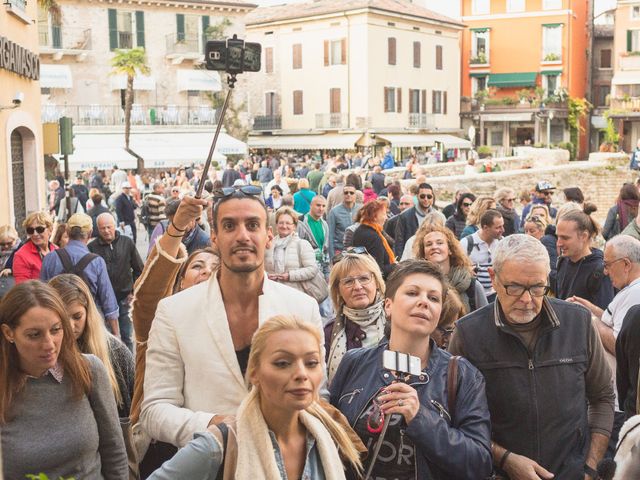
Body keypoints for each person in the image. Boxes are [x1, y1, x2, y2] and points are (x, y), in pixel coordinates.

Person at [140, 186, 324, 449]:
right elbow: (155, 411)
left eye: (252, 225)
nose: (242, 236)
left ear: (268, 235)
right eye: (229, 226)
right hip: (209, 465)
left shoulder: (302, 308)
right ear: (214, 238)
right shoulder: (174, 311)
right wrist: (216, 425)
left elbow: (317, 396)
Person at [448, 234, 615, 480]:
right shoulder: (468, 333)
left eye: (538, 287)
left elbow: (602, 397)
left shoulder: (578, 323)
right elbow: (455, 415)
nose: (527, 300)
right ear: (493, 279)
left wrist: (589, 468)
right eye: (514, 287)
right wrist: (506, 460)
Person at [331, 260, 493, 479]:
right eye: (412, 293)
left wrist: (421, 418)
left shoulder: (463, 375)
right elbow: (330, 437)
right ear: (388, 305)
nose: (423, 302)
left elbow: (479, 463)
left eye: (433, 298)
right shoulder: (354, 362)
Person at [147, 315, 362, 479]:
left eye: (311, 363)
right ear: (254, 373)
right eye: (282, 363)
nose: (301, 374)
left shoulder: (327, 437)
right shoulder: (218, 446)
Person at [0, 281, 128, 478]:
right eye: (34, 335)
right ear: (9, 333)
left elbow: (115, 452)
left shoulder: (89, 370)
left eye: (56, 330)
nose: (49, 344)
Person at [130, 198, 218, 473]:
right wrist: (176, 228)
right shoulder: (161, 318)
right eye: (197, 266)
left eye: (215, 268)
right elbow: (148, 294)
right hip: (162, 445)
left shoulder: (237, 326)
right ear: (180, 281)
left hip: (220, 445)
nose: (206, 271)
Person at [49, 274, 134, 419]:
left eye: (77, 317)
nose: (70, 326)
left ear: (88, 313)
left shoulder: (115, 350)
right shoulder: (43, 355)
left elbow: (136, 400)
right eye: (62, 318)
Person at [40, 213, 120, 338]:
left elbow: (43, 296)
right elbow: (108, 301)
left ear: (67, 231)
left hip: (59, 324)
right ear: (90, 233)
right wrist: (116, 334)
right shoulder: (96, 262)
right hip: (90, 326)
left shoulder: (50, 258)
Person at [324, 250, 386, 381]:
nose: (357, 287)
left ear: (377, 283)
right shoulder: (328, 333)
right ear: (338, 290)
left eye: (364, 279)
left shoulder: (398, 322)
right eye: (348, 281)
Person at [89, 212, 144, 352]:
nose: (106, 231)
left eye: (109, 227)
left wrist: (133, 291)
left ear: (115, 226)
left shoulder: (127, 242)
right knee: (107, 339)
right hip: (103, 302)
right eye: (102, 228)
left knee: (127, 337)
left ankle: (129, 370)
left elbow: (139, 270)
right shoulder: (92, 248)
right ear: (97, 229)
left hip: (125, 298)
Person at [413, 224, 487, 313]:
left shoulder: (471, 286)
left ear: (450, 249)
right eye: (429, 244)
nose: (434, 247)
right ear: (424, 253)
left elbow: (485, 319)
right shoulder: (418, 285)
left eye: (439, 243)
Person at [555, 207, 615, 309]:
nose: (559, 243)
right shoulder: (562, 261)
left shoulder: (600, 270)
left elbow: (604, 316)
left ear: (583, 236)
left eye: (565, 238)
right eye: (557, 237)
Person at [265, 207, 320, 295]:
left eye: (288, 223)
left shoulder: (302, 244)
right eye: (281, 223)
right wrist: (267, 275)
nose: (284, 226)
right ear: (276, 224)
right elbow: (261, 268)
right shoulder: (269, 244)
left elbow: (312, 269)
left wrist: (290, 276)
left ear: (294, 226)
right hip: (273, 293)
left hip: (295, 294)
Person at [459, 209, 504, 300]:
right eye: (498, 227)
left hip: (496, 295)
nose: (502, 230)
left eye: (502, 226)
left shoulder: (502, 242)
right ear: (485, 228)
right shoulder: (466, 243)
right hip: (473, 296)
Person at [394, 183, 445, 257]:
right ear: (417, 196)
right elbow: (399, 241)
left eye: (429, 196)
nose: (426, 199)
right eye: (422, 196)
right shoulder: (405, 216)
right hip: (413, 256)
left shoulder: (440, 216)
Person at [352, 200, 396, 278]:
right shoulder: (373, 237)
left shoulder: (361, 230)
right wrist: (395, 266)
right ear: (375, 217)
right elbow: (378, 269)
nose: (386, 217)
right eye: (384, 214)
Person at [12, 211, 58, 283]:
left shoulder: (57, 249)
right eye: (30, 230)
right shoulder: (21, 255)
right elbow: (22, 288)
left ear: (50, 230)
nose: (35, 234)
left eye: (40, 229)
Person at [328, 184, 362, 261]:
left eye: (351, 193)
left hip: (358, 251)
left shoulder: (361, 209)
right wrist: (332, 258)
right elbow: (330, 235)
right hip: (340, 251)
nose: (348, 194)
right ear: (342, 195)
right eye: (346, 193)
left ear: (355, 195)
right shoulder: (334, 211)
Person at [298, 195, 330, 278]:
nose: (321, 208)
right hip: (307, 269)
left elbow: (325, 249)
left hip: (322, 269)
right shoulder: (301, 223)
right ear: (311, 205)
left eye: (323, 206)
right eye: (318, 205)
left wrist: (327, 272)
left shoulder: (324, 224)